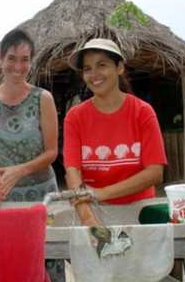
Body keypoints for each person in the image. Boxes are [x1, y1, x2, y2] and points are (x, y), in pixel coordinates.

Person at [0, 28, 66, 282]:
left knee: (48, 260)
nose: (18, 66)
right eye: (12, 58)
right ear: (0, 58)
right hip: (4, 197)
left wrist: (18, 171)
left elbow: (51, 153)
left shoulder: (42, 98)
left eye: (25, 59)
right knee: (12, 262)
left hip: (42, 196)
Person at [64, 38, 167, 226]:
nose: (94, 74)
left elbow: (155, 172)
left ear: (119, 67)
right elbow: (72, 173)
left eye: (101, 65)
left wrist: (102, 193)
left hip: (141, 211)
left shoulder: (142, 112)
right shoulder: (75, 116)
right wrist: (89, 222)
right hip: (94, 211)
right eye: (87, 69)